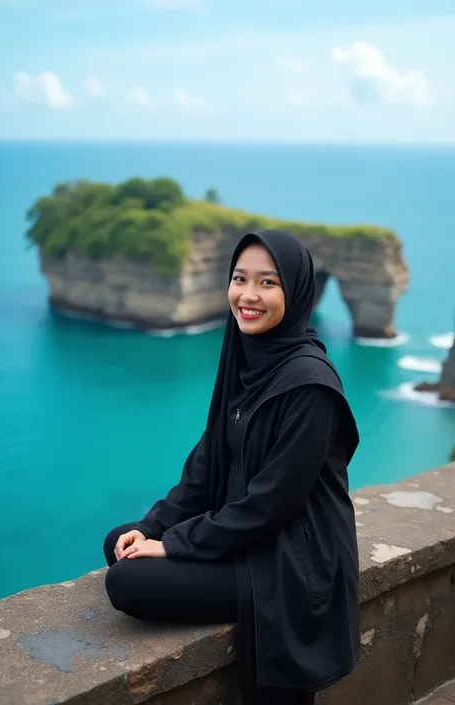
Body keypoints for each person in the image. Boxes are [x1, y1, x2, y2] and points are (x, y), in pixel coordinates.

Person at [103, 229, 361, 705]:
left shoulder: (309, 386)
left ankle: (248, 602)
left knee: (127, 579)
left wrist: (175, 545)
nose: (248, 295)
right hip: (249, 538)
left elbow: (272, 505)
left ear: (296, 291)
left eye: (268, 283)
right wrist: (152, 527)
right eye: (240, 279)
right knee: (121, 540)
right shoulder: (246, 361)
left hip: (290, 559)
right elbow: (204, 469)